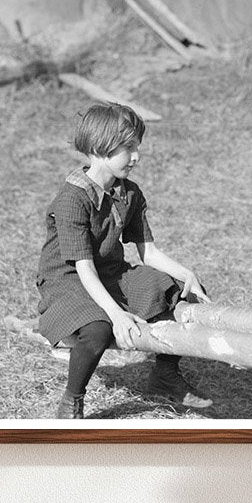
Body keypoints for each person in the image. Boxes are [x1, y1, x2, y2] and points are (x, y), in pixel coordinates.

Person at [35, 102, 212, 419]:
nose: (136, 156)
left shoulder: (128, 192)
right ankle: (72, 400)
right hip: (68, 281)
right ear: (99, 148)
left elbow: (150, 252)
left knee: (177, 292)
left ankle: (165, 376)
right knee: (98, 328)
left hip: (110, 274)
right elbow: (84, 269)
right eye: (127, 148)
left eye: (137, 147)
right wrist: (117, 316)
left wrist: (188, 275)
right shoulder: (72, 198)